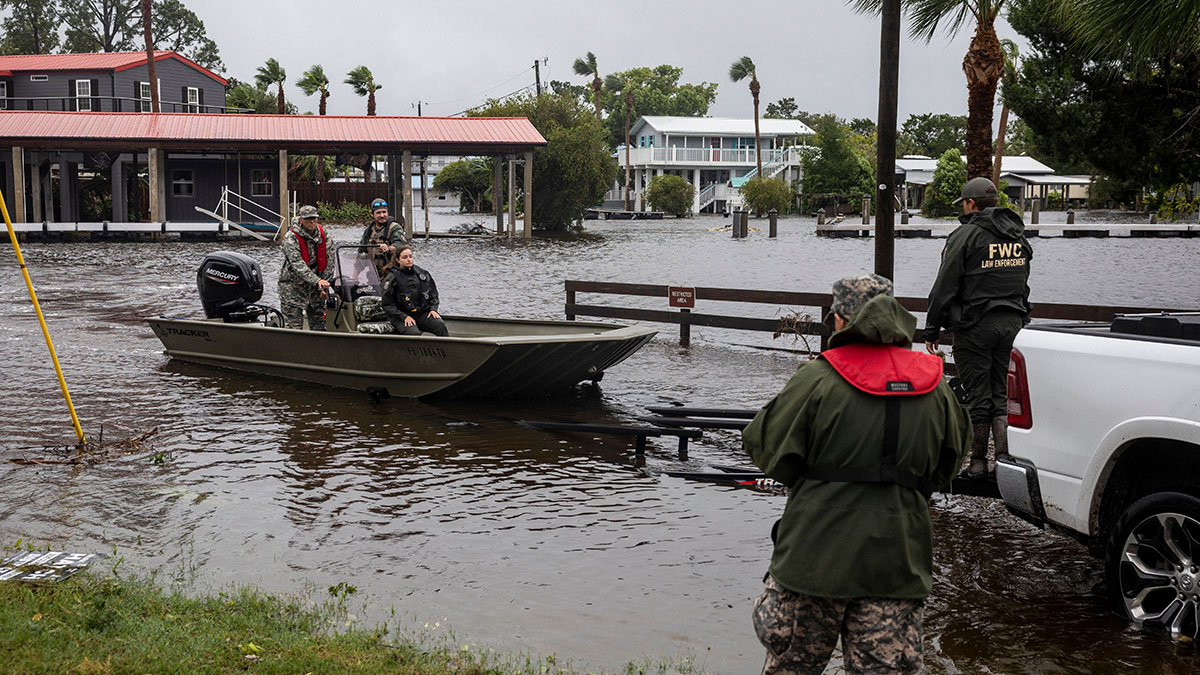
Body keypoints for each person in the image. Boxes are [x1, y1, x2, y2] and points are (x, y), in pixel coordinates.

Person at [743, 274, 970, 675]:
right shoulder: (935, 384)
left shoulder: (817, 377)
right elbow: (949, 464)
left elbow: (767, 449)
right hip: (896, 562)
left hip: (813, 560)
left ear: (840, 320)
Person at [924, 177, 1032, 478]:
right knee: (1001, 394)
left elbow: (944, 285)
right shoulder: (1017, 236)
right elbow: (1023, 284)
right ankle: (1006, 463)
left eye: (964, 202)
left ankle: (978, 464)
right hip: (1013, 324)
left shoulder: (965, 236)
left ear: (971, 203)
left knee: (978, 395)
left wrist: (932, 328)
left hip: (975, 327)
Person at [278, 204, 337, 331]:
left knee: (320, 326)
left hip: (316, 288)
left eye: (314, 219)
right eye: (308, 219)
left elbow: (330, 259)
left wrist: (325, 282)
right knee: (294, 327)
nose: (311, 222)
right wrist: (317, 281)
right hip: (293, 287)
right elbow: (297, 264)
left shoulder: (324, 235)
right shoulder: (290, 238)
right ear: (301, 220)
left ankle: (319, 349)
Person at [380, 245, 448, 337]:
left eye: (410, 256)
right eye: (405, 257)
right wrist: (404, 317)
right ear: (397, 260)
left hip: (420, 313)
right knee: (414, 333)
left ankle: (446, 349)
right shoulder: (392, 278)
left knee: (440, 325)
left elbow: (433, 295)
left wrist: (433, 309)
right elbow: (387, 304)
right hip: (400, 316)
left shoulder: (422, 274)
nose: (409, 259)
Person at [360, 198, 407, 279]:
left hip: (392, 273)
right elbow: (361, 252)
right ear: (372, 214)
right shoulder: (368, 231)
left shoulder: (395, 228)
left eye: (384, 212)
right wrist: (354, 275)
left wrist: (389, 248)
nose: (382, 215)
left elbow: (400, 245)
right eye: (378, 213)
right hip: (373, 274)